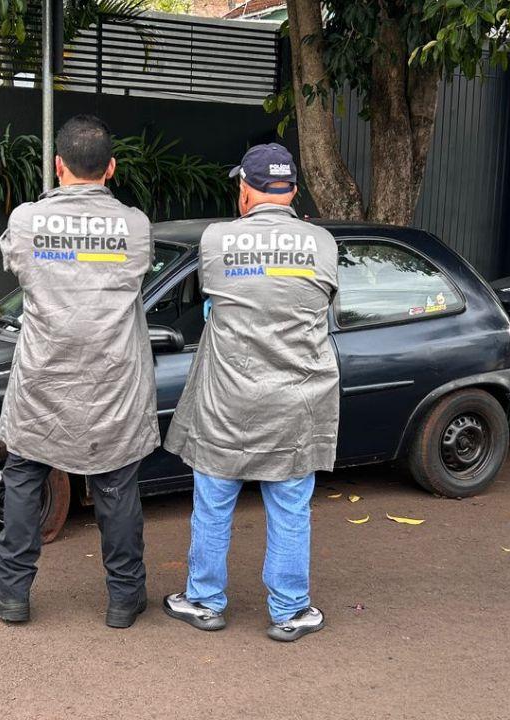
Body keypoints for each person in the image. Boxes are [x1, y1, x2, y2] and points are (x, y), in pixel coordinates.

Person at [0, 115, 158, 629]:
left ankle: (12, 594)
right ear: (112, 168)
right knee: (117, 486)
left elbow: (18, 265)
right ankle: (124, 599)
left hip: (43, 376)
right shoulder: (136, 226)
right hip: (113, 382)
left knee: (24, 478)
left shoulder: (27, 220)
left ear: (58, 166)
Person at [163, 143, 340, 643]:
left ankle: (204, 600)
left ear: (245, 191)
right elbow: (325, 305)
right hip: (299, 400)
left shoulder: (217, 239)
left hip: (229, 399)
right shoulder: (323, 243)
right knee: (289, 506)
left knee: (214, 501)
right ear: (293, 192)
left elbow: (213, 302)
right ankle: (290, 610)